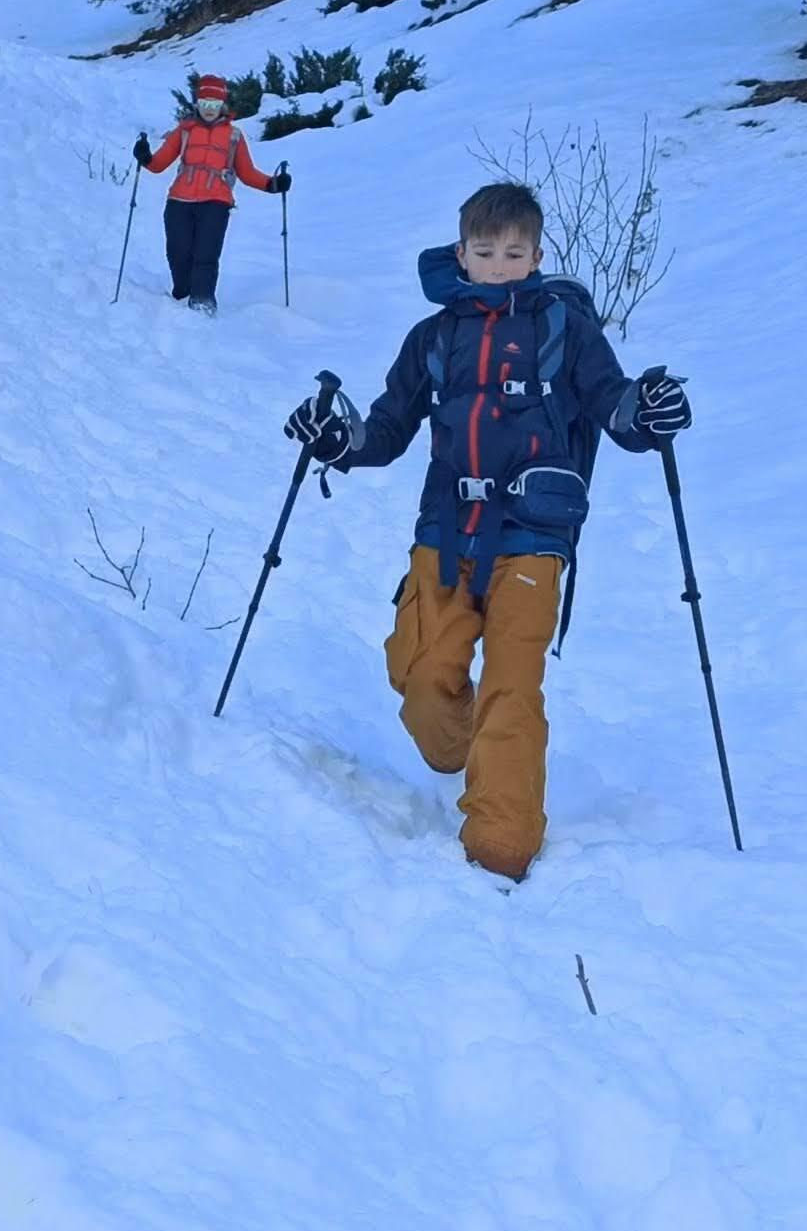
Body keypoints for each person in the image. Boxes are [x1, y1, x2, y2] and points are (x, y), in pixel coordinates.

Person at [282, 180, 691, 882]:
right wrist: (336, 439)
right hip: (446, 530)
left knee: (512, 684)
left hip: (534, 534)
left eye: (514, 253)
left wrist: (646, 409)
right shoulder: (434, 338)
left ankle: (503, 843)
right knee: (420, 673)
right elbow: (386, 429)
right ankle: (460, 749)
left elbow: (613, 403)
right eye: (486, 251)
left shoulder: (565, 330)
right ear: (462, 253)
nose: (500, 266)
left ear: (536, 257)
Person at [134, 76, 290, 313]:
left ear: (222, 105)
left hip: (216, 203)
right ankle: (182, 295)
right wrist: (144, 156)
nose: (209, 109)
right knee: (177, 252)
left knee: (206, 254)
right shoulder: (184, 131)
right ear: (197, 103)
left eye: (214, 104)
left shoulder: (234, 136)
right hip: (179, 201)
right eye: (204, 103)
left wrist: (273, 184)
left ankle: (203, 300)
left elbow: (247, 173)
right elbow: (158, 164)